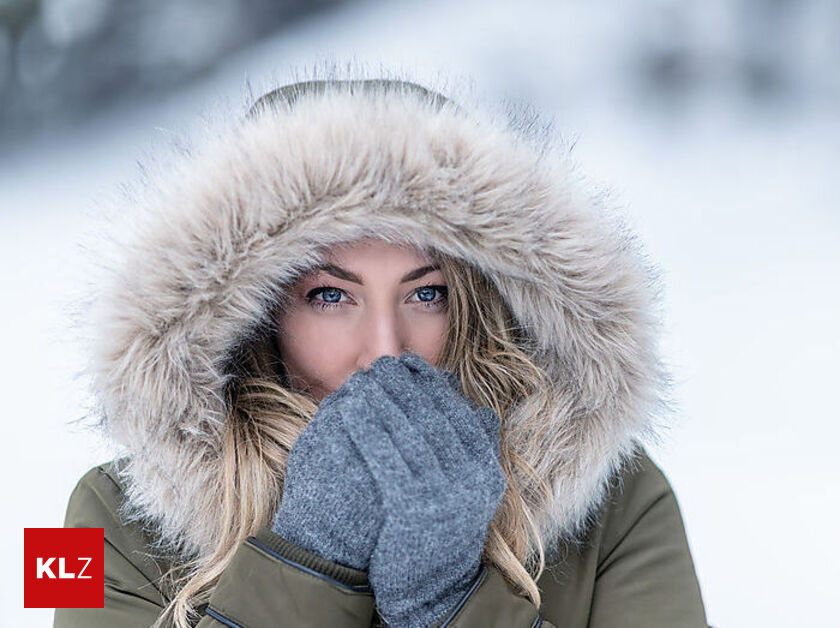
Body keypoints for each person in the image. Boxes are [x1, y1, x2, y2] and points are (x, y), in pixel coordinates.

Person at [53, 77, 709, 628]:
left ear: (475, 302)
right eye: (331, 297)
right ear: (252, 312)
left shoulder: (619, 498)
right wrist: (308, 561)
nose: (386, 350)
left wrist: (453, 605)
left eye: (425, 294)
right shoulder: (95, 520)